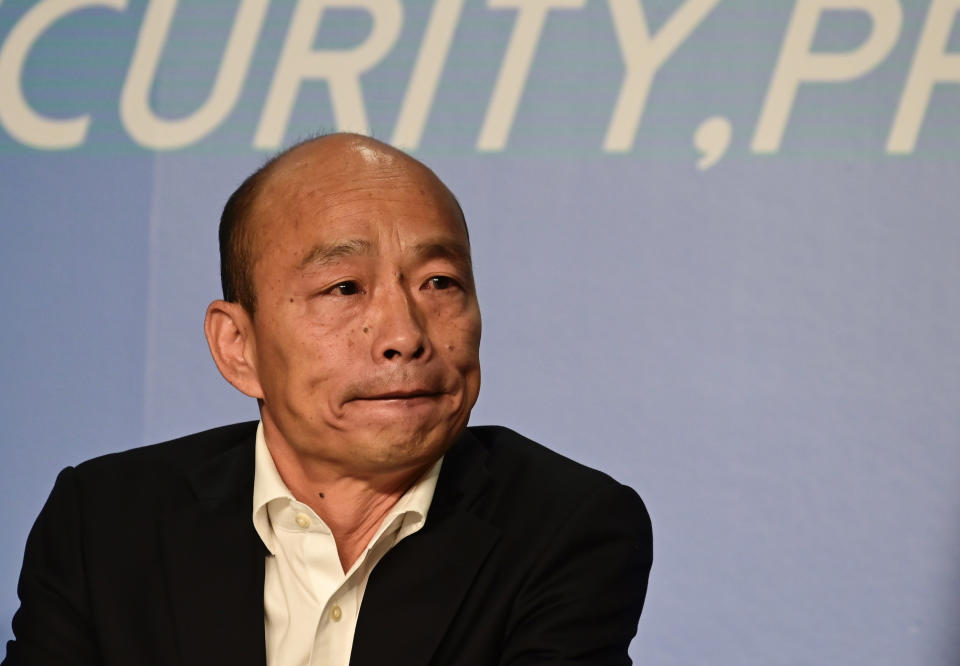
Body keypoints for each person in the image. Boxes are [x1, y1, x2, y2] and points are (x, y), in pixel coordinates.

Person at [3, 134, 652, 666]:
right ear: (238, 346)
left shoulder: (568, 530)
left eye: (439, 282)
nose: (404, 335)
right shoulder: (107, 524)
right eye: (345, 288)